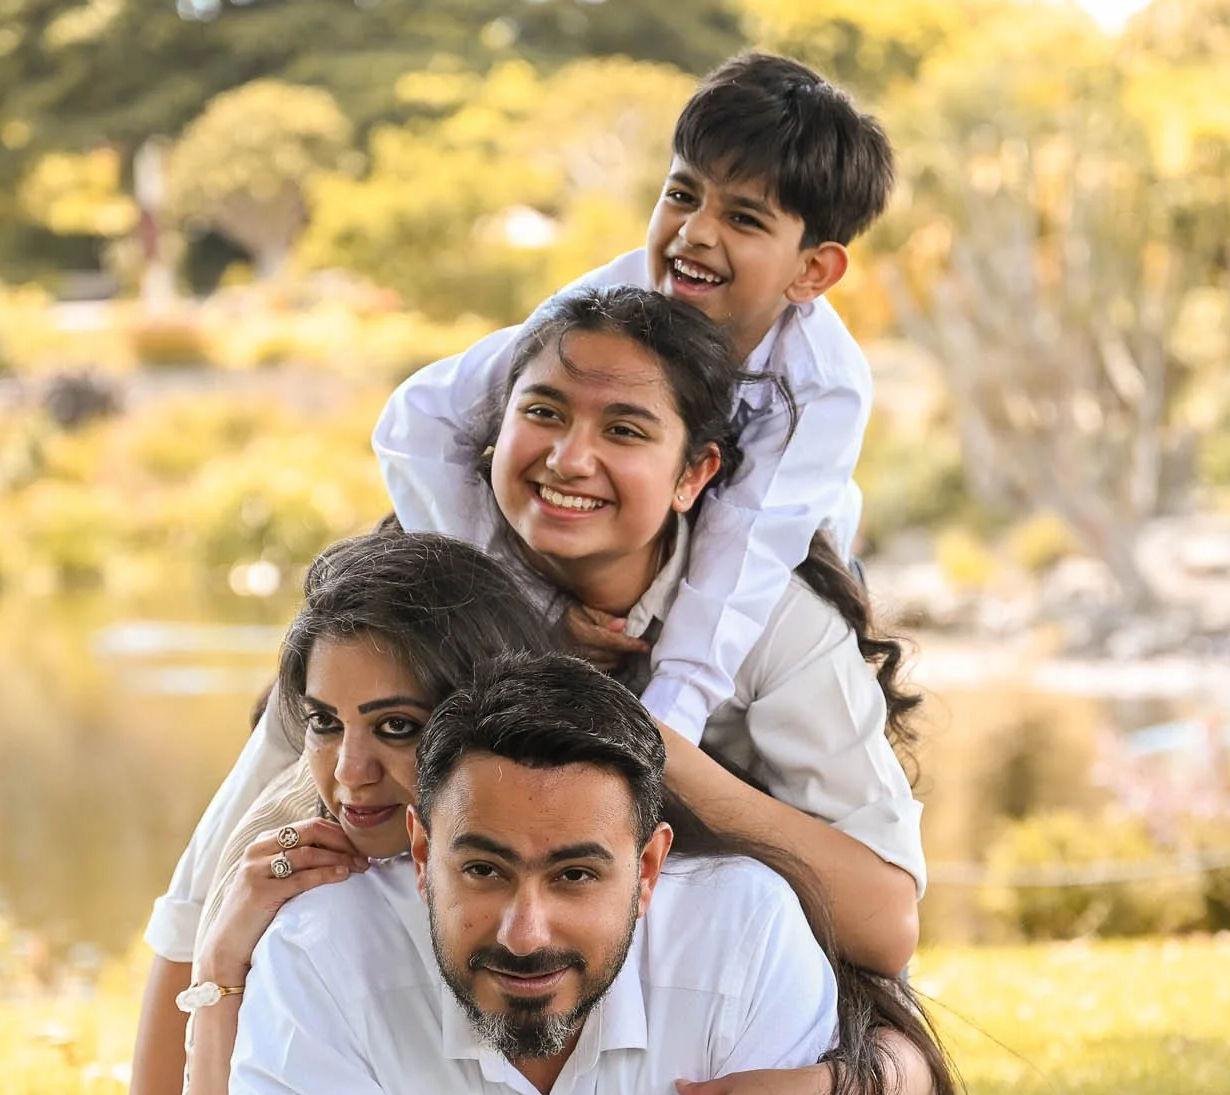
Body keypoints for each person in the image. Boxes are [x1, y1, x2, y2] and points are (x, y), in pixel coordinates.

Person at [64, 286, 943, 1095]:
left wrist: (847, 1089)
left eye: (399, 730)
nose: (353, 771)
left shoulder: (751, 631)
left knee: (871, 1093)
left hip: (780, 1051)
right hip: (526, 1078)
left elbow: (883, 943)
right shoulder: (380, 639)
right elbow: (197, 922)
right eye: (543, 414)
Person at [227, 653, 885, 1095]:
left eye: (574, 874)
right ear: (422, 854)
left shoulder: (744, 934)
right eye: (483, 869)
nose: (524, 934)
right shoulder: (323, 951)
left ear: (648, 869)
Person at [375, 51, 893, 748]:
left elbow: (741, 559)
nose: (696, 232)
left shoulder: (819, 386)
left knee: (773, 695)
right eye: (682, 194)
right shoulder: (600, 310)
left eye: (742, 218)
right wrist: (522, 605)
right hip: (611, 553)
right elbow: (422, 423)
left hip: (783, 562)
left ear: (813, 270)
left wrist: (660, 738)